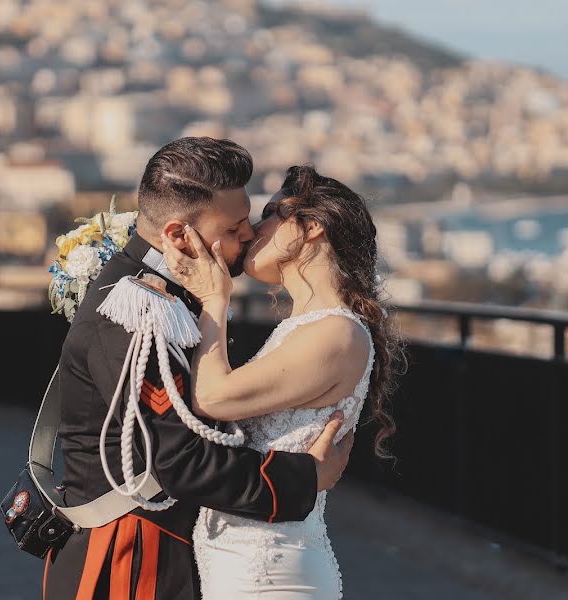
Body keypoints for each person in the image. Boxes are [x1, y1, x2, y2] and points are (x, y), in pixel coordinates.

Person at [42, 139, 354, 600]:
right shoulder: (138, 309)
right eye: (233, 227)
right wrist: (305, 478)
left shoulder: (162, 294)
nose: (249, 235)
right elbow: (178, 461)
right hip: (131, 561)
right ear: (177, 235)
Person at [160, 165, 399, 599]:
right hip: (248, 565)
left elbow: (212, 396)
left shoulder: (336, 333)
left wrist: (216, 299)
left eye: (271, 214)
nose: (252, 231)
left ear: (311, 228)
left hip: (271, 574)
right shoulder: (305, 326)